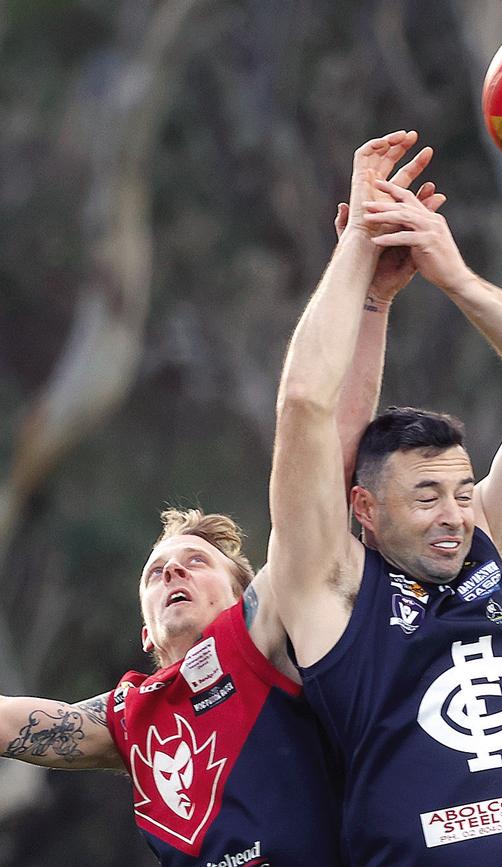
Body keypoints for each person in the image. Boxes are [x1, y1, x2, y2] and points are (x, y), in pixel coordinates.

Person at [0, 135, 441, 865]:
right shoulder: (129, 717)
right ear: (144, 632)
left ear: (241, 590)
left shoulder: (266, 633)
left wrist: (367, 295)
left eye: (194, 562)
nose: (171, 573)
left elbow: (331, 464)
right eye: (156, 571)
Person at [269, 129, 502, 865]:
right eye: (426, 496)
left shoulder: (493, 545)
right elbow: (305, 403)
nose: (456, 513)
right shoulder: (328, 589)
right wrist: (357, 249)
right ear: (364, 509)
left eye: (462, 489)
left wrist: (452, 276)